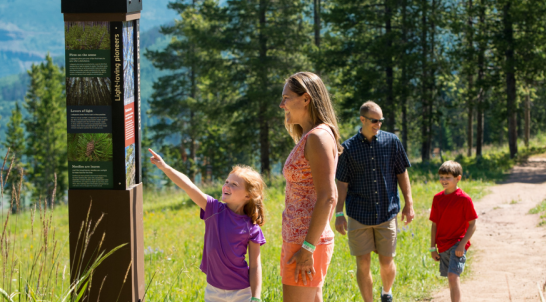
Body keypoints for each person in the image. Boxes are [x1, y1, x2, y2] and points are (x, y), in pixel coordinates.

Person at [149, 149, 266, 302]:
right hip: (213, 291)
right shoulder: (213, 209)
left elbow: (256, 266)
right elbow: (189, 186)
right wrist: (166, 168)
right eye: (226, 182)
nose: (227, 186)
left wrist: (255, 297)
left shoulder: (252, 227)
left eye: (234, 184)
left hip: (242, 292)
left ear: (248, 195)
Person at [334, 101, 414, 302]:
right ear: (362, 120)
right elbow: (341, 184)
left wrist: (409, 204)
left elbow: (402, 173)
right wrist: (339, 213)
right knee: (363, 263)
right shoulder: (348, 148)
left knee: (387, 262)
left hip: (387, 212)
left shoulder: (392, 141)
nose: (378, 124)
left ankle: (386, 293)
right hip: (358, 214)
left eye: (381, 121)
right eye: (374, 121)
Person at [279, 72, 341, 302]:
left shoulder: (318, 137)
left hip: (305, 242)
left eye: (286, 97)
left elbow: (328, 197)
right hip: (300, 239)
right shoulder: (310, 136)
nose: (281, 104)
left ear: (306, 99)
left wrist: (307, 248)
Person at [430, 160, 478, 302]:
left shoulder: (464, 199)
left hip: (457, 244)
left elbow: (472, 223)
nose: (443, 180)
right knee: (450, 279)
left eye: (447, 177)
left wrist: (462, 244)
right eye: (441, 177)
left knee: (452, 276)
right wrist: (432, 248)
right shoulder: (437, 199)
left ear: (458, 178)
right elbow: (434, 225)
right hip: (442, 245)